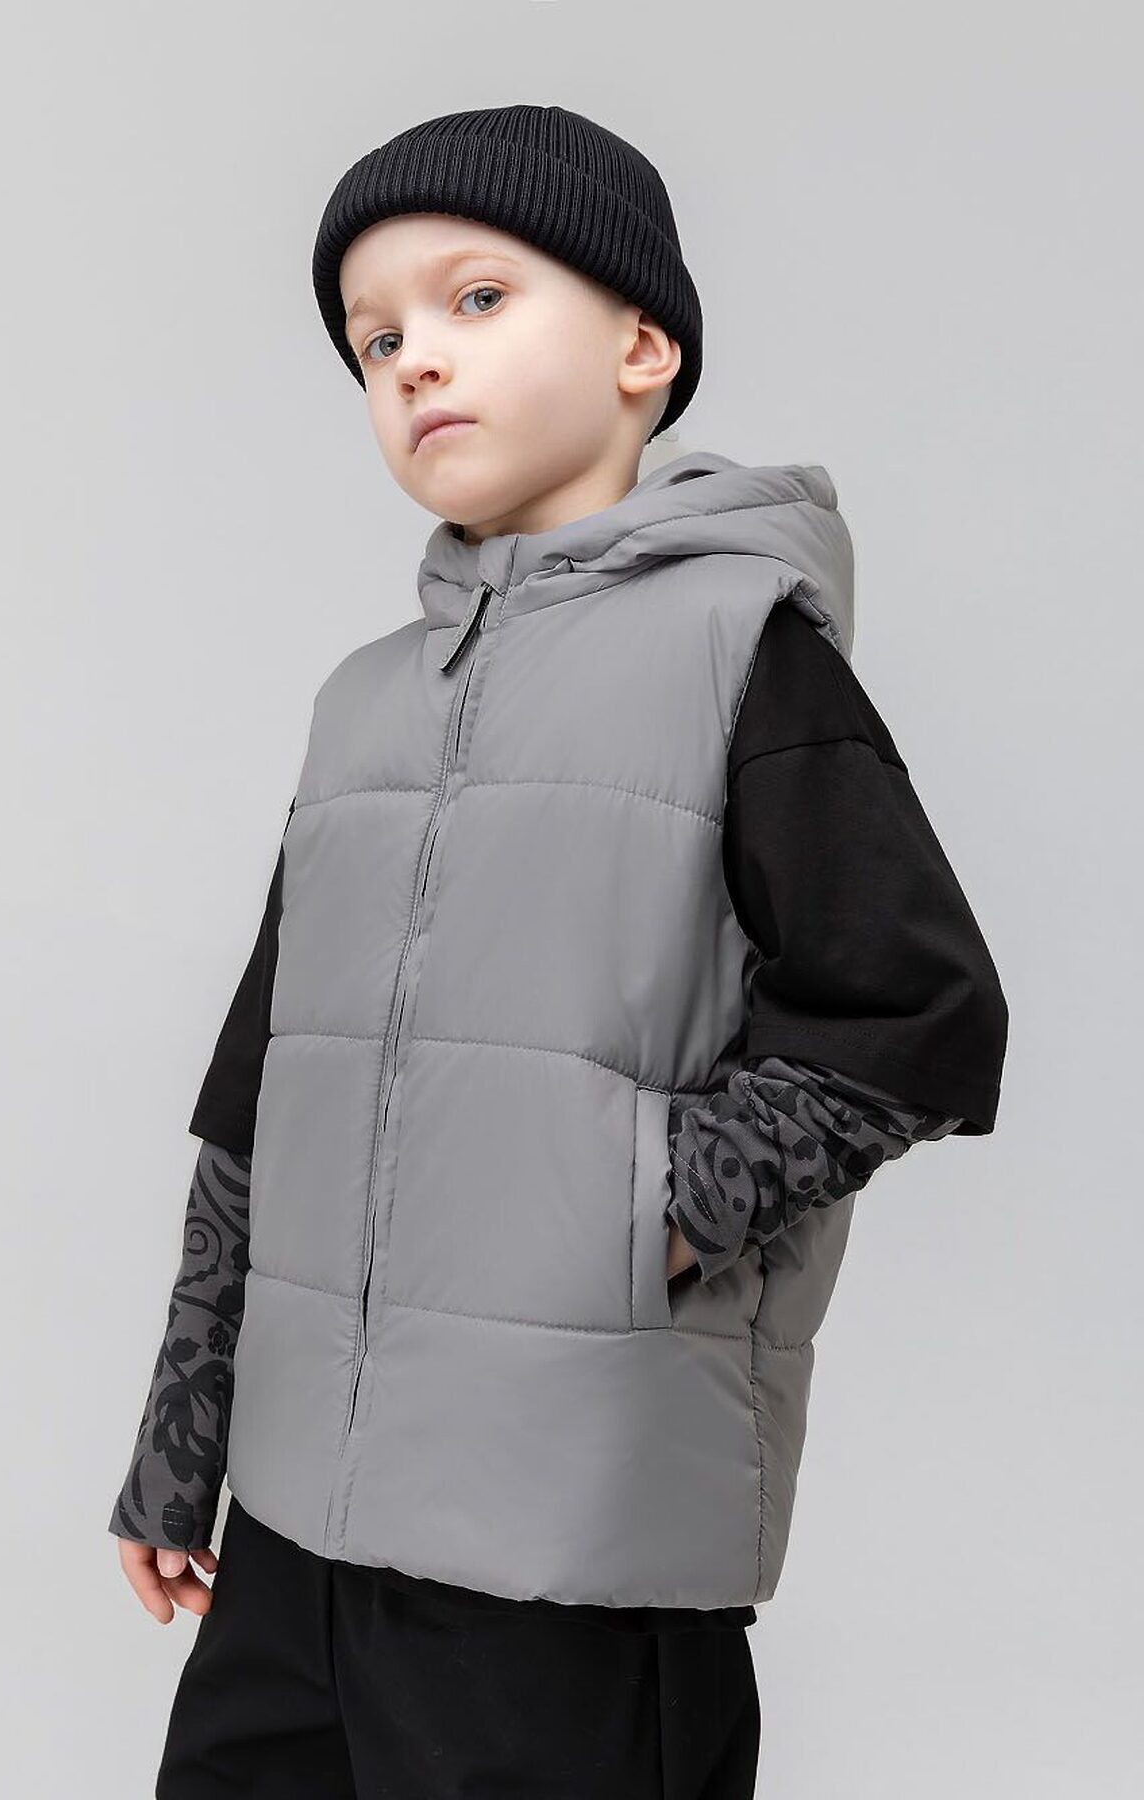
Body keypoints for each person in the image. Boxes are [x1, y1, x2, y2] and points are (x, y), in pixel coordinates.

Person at [108, 103, 1009, 1798]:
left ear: (640, 348)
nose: (415, 362)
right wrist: (184, 1435)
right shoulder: (362, 707)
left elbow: (917, 1014)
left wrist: (634, 1214)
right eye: (375, 340)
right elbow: (257, 1098)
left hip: (565, 1550)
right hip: (293, 1546)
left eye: (475, 300)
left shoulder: (744, 651)